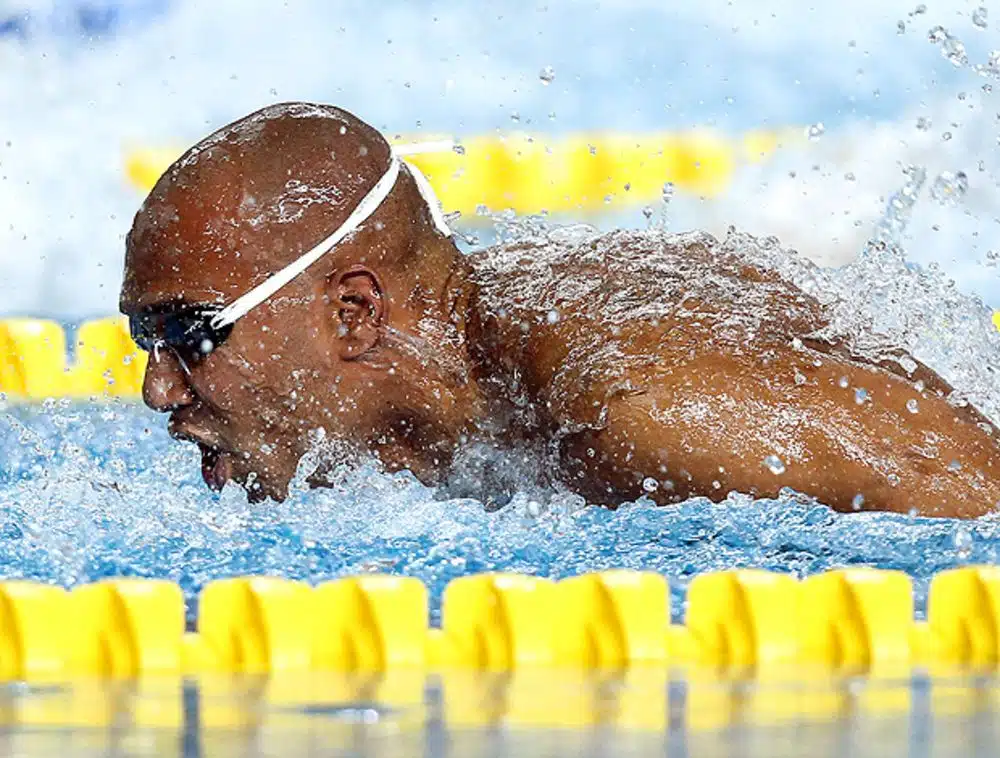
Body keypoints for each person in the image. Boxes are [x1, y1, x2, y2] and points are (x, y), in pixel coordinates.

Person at [119, 102, 1000, 518]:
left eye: (189, 334)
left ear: (354, 313)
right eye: (142, 338)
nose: (160, 390)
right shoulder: (463, 369)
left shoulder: (637, 413)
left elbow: (976, 490)